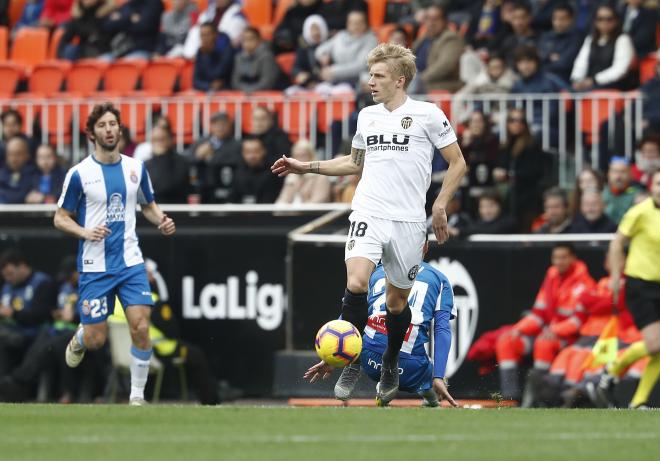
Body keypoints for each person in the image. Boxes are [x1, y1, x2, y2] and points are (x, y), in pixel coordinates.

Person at [272, 43, 466, 406]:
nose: (370, 82)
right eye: (370, 74)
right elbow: (355, 162)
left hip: (409, 220)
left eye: (378, 76)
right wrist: (307, 167)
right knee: (357, 282)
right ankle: (354, 358)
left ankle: (391, 359)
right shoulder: (367, 116)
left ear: (400, 79)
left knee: (395, 305)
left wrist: (440, 205)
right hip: (368, 211)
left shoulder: (428, 114)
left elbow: (457, 163)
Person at [53, 102, 176, 406]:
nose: (109, 130)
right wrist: (85, 232)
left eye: (113, 124)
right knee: (97, 340)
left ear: (120, 130)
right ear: (92, 134)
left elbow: (147, 204)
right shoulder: (79, 174)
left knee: (141, 325)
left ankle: (137, 398)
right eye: (102, 125)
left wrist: (161, 219)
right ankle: (82, 335)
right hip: (95, 265)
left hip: (131, 261)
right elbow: (60, 217)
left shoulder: (136, 167)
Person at [304, 239, 458, 407]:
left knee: (360, 309)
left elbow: (351, 313)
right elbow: (442, 330)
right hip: (409, 368)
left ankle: (353, 364)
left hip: (367, 355)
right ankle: (431, 398)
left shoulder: (376, 270)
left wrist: (334, 356)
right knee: (429, 373)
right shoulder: (440, 279)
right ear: (425, 247)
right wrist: (438, 376)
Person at [495, 243, 595, 403]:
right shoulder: (552, 276)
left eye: (563, 257)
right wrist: (519, 328)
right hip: (547, 332)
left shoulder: (584, 284)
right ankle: (510, 398)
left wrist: (554, 330)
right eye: (555, 258)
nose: (558, 262)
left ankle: (541, 396)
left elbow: (578, 322)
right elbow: (539, 314)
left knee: (543, 343)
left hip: (570, 340)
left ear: (573, 258)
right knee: (507, 340)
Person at [594, 169, 660, 409]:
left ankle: (639, 401)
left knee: (659, 349)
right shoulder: (640, 212)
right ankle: (611, 369)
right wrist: (614, 276)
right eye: (658, 184)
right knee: (655, 344)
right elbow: (617, 242)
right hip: (641, 284)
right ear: (651, 187)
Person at [0, 249, 57, 378]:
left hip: (34, 333)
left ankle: (13, 383)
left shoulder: (42, 282)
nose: (8, 279)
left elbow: (40, 315)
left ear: (22, 266)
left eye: (10, 274)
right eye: (5, 276)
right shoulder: (7, 286)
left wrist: (12, 313)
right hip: (9, 333)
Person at [571, 5, 636, 91]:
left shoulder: (623, 39)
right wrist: (577, 80)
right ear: (595, 21)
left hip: (614, 86)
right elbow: (581, 63)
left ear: (616, 21)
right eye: (600, 19)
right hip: (590, 85)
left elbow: (620, 70)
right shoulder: (590, 39)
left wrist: (594, 80)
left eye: (609, 19)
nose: (604, 22)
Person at [410, 4, 464, 93]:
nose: (431, 23)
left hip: (439, 86)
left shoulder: (451, 38)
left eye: (435, 19)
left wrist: (419, 80)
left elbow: (445, 65)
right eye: (428, 19)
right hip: (417, 85)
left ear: (445, 21)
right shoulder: (422, 39)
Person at [536, 2, 582, 84]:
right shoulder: (545, 37)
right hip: (542, 79)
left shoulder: (577, 38)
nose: (558, 23)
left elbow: (565, 63)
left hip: (564, 80)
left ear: (571, 19)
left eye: (562, 19)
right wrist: (549, 57)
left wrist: (547, 59)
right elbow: (538, 59)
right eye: (555, 19)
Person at [230, 137, 284, 204]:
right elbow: (232, 199)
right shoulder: (237, 172)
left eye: (256, 151)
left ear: (264, 151)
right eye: (247, 152)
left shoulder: (274, 171)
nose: (251, 156)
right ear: (242, 153)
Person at [144, 125, 190, 204]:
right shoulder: (146, 164)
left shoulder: (181, 161)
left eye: (162, 139)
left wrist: (161, 157)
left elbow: (167, 187)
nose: (158, 143)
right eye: (155, 140)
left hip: (176, 210)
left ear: (170, 140)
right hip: (152, 211)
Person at [276, 140, 331, 204]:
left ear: (311, 156)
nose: (299, 159)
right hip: (291, 213)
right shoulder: (291, 177)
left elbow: (318, 202)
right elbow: (281, 202)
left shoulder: (320, 177)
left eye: (303, 155)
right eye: (297, 156)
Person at [231, 27, 281, 93]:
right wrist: (246, 90)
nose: (247, 43)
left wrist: (249, 91)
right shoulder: (239, 58)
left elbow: (267, 83)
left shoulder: (267, 56)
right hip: (246, 95)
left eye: (251, 39)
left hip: (266, 97)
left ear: (259, 40)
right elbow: (235, 82)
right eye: (244, 40)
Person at [193, 22, 234, 92]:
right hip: (208, 92)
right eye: (202, 35)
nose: (204, 38)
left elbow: (218, 74)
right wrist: (209, 85)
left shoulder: (226, 50)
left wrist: (209, 54)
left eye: (207, 35)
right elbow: (196, 81)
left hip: (225, 93)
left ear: (216, 35)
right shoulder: (200, 52)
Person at [602, 157, 643, 224]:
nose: (618, 176)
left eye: (623, 172)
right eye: (615, 171)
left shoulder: (638, 195)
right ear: (608, 174)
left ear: (631, 175)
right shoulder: (600, 194)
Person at [0, 137, 39, 204]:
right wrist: (24, 198)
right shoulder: (2, 174)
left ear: (27, 155)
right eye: (10, 154)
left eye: (18, 154)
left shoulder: (36, 174)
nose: (14, 158)